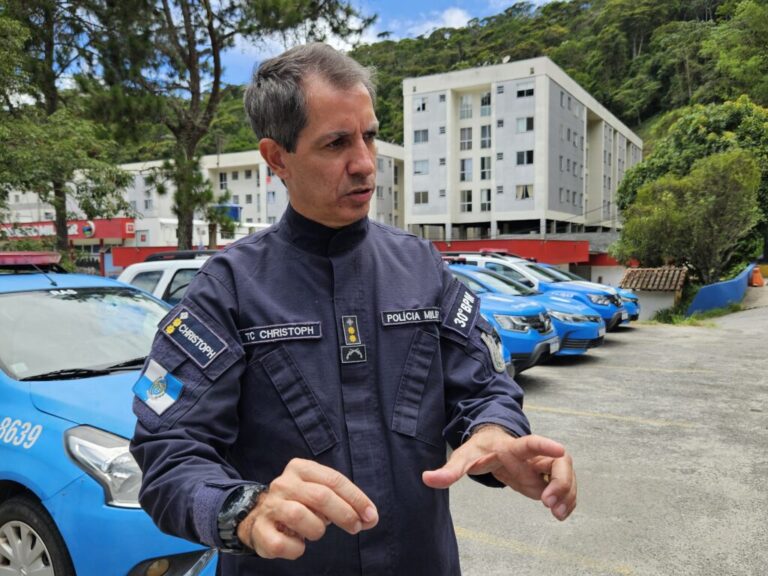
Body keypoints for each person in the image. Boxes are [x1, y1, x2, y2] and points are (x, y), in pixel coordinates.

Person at [130, 43, 576, 576]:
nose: (364, 163)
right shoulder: (227, 290)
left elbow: (483, 388)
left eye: (369, 136)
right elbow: (169, 452)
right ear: (277, 158)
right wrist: (245, 510)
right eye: (337, 142)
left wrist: (495, 433)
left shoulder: (423, 268)